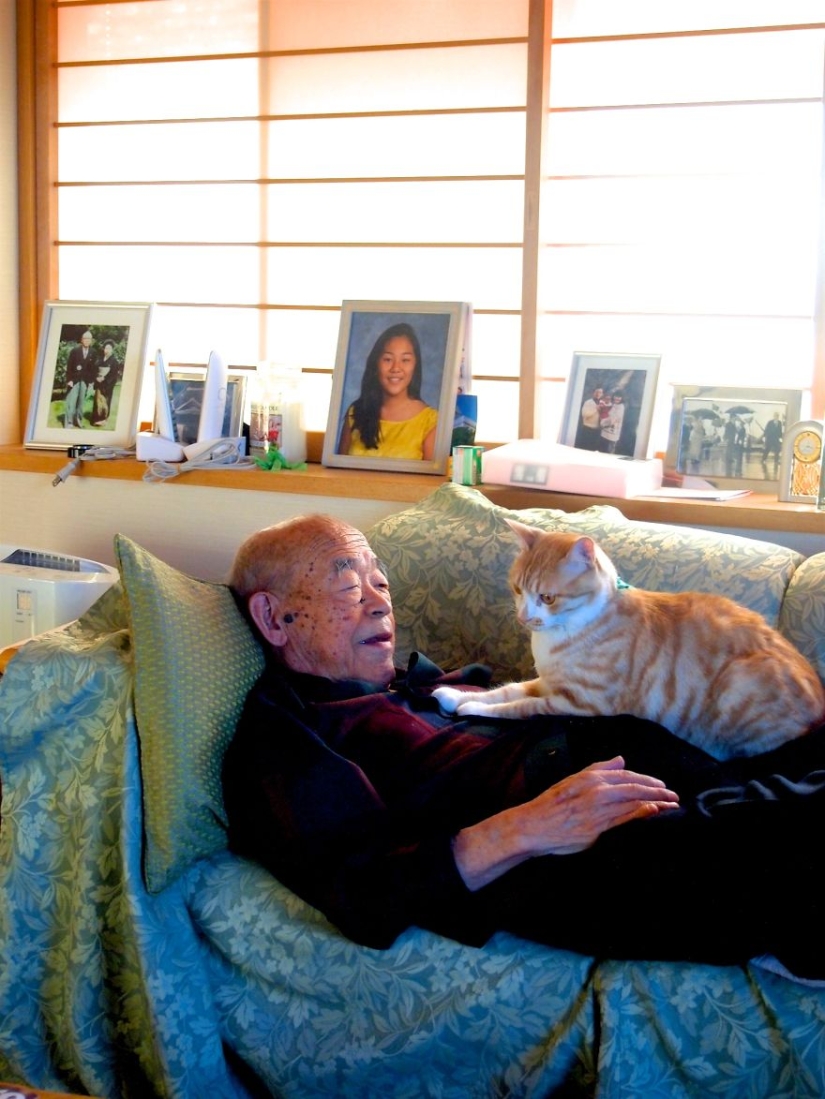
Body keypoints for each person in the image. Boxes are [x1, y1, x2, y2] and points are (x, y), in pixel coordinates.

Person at [222, 514, 825, 976]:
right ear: (274, 619)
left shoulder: (403, 686)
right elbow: (363, 895)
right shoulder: (288, 736)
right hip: (575, 840)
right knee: (792, 859)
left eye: (380, 582)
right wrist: (529, 828)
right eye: (350, 588)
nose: (382, 601)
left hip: (641, 765)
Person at [337, 322, 438, 460]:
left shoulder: (430, 421)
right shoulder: (356, 413)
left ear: (415, 365)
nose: (396, 368)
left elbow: (431, 481)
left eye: (405, 360)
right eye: (388, 359)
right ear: (376, 363)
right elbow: (339, 474)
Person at [64, 330, 97, 428]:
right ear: (82, 340)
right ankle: (69, 423)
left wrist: (91, 382)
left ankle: (78, 420)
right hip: (74, 380)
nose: (87, 340)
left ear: (91, 341)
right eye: (85, 338)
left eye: (89, 339)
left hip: (85, 381)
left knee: (81, 403)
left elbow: (93, 369)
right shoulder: (75, 351)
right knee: (71, 402)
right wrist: (69, 380)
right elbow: (69, 366)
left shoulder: (93, 352)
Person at [90, 338, 121, 425]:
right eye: (105, 348)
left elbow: (114, 374)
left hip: (107, 384)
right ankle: (96, 418)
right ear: (103, 349)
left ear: (112, 350)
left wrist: (104, 379)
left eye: (109, 348)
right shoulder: (99, 359)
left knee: (105, 401)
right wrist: (96, 377)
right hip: (98, 382)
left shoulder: (114, 361)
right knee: (97, 401)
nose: (107, 350)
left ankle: (103, 419)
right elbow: (95, 369)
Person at [574, 386, 603, 450]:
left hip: (597, 431)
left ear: (602, 394)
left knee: (592, 450)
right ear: (593, 392)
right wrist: (596, 409)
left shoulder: (602, 404)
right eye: (596, 392)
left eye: (600, 392)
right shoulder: (588, 402)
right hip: (587, 430)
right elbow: (585, 414)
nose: (598, 394)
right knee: (584, 448)